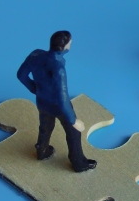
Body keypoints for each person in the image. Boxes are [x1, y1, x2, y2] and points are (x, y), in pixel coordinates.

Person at [16, 31, 97, 172]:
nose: (70, 45)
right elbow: (62, 98)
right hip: (59, 107)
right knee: (74, 132)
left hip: (42, 101)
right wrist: (73, 120)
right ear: (64, 47)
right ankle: (78, 163)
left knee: (45, 128)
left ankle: (42, 151)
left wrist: (35, 89)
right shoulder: (58, 68)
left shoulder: (35, 54)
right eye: (70, 43)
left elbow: (21, 75)